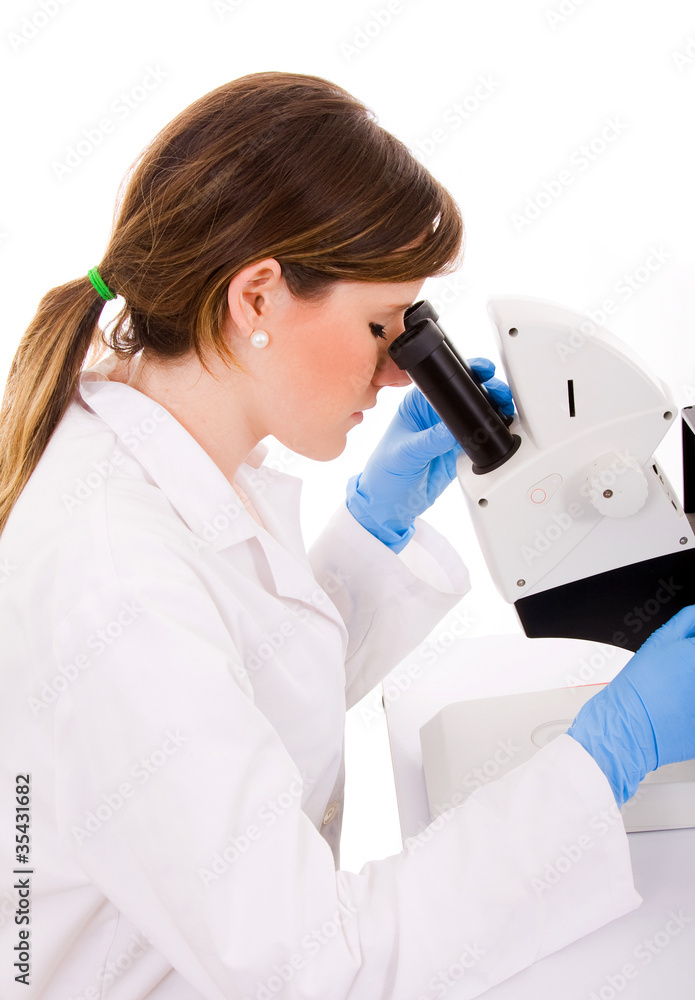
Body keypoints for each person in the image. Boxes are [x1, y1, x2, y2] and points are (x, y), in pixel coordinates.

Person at [0, 70, 693, 1000]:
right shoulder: (112, 577)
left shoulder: (152, 434)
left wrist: (374, 529)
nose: (403, 374)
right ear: (257, 298)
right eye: (381, 327)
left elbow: (228, 702)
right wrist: (603, 755)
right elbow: (316, 966)